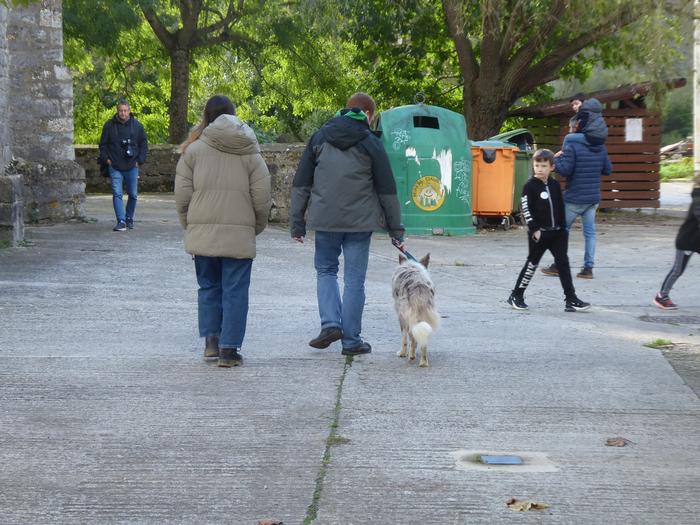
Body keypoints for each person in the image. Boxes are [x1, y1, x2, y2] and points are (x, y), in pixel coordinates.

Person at [290, 92, 404, 357]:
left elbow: (301, 183)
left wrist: (297, 223)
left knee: (326, 271)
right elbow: (387, 190)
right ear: (368, 114)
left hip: (325, 220)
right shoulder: (370, 142)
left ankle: (330, 323)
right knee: (354, 281)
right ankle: (351, 341)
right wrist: (395, 230)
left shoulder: (320, 137)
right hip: (359, 223)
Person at [175, 95, 271, 368]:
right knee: (236, 290)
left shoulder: (193, 151)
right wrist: (255, 227)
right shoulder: (250, 151)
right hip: (239, 234)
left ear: (206, 116)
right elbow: (262, 197)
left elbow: (182, 196)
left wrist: (190, 225)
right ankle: (230, 350)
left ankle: (211, 343)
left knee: (208, 287)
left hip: (202, 231)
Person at [507, 149, 590, 312]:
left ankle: (571, 299)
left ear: (551, 167)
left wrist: (563, 229)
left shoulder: (554, 185)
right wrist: (534, 229)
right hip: (539, 234)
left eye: (543, 166)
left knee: (563, 265)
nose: (539, 169)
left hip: (557, 233)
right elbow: (526, 209)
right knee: (532, 264)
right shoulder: (529, 186)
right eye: (537, 165)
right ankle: (516, 295)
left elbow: (560, 207)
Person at [540, 105, 612, 279]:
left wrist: (556, 160)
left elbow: (565, 171)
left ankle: (558, 265)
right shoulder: (600, 147)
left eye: (571, 128)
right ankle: (588, 269)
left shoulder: (572, 146)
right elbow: (608, 169)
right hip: (592, 198)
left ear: (577, 127)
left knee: (561, 232)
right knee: (590, 234)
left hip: (574, 199)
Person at [99, 98, 148, 231]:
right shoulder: (109, 126)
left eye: (125, 111)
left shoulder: (137, 126)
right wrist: (107, 159)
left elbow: (144, 145)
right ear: (117, 110)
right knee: (117, 194)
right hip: (114, 165)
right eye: (120, 110)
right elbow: (102, 145)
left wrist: (140, 160)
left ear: (129, 111)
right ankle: (121, 221)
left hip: (132, 165)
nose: (123, 113)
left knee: (133, 194)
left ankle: (129, 218)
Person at [653, 181, 700, 309]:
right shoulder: (698, 198)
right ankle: (662, 296)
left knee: (678, 270)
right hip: (687, 241)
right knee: (677, 270)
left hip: (696, 240)